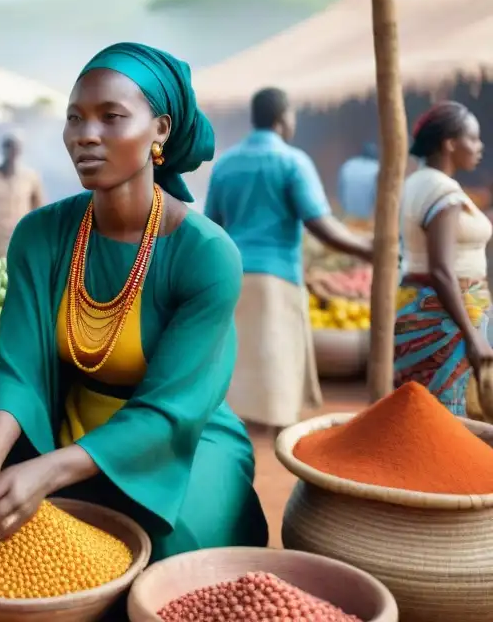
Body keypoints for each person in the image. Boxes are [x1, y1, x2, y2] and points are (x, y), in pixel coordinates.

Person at [0, 43, 268, 564]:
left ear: (160, 130)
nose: (85, 135)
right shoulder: (41, 235)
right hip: (71, 424)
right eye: (75, 118)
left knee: (162, 549)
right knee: (0, 531)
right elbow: (19, 365)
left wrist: (46, 471)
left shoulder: (205, 255)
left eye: (111, 117)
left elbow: (170, 409)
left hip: (182, 437)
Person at [204, 88, 372, 433]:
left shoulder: (226, 163)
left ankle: (234, 430)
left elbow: (212, 225)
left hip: (233, 275)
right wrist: (367, 250)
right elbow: (320, 224)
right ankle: (275, 435)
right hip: (276, 277)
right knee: (276, 358)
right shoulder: (293, 161)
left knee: (238, 357)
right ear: (284, 119)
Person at [395, 101, 492, 416]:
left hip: (423, 308)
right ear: (450, 143)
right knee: (449, 418)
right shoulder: (443, 192)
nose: (480, 146)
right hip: (446, 315)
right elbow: (441, 269)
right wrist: (473, 336)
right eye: (473, 138)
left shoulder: (417, 182)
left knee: (425, 414)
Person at [0, 133, 44, 257]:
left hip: (21, 236)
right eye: (9, 147)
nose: (12, 152)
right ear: (3, 149)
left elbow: (39, 208)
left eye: (16, 148)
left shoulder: (30, 177)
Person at [338, 142, 380, 223]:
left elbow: (340, 190)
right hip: (367, 219)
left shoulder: (348, 165)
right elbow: (376, 195)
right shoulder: (377, 168)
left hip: (348, 216)